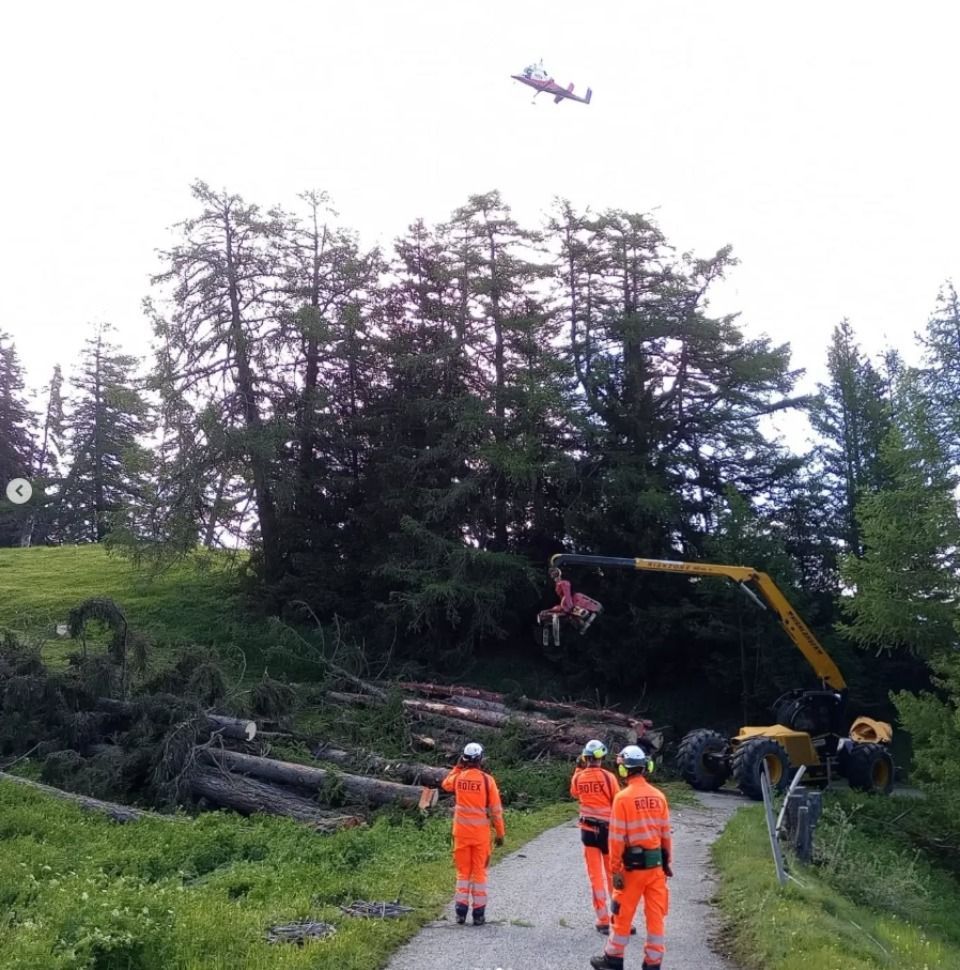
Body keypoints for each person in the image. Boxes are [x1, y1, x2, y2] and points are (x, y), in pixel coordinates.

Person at [590, 745, 672, 970]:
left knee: (621, 914)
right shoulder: (659, 797)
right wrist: (667, 864)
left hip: (631, 869)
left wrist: (615, 870)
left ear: (624, 770)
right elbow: (666, 835)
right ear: (646, 768)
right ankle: (653, 962)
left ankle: (613, 959)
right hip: (655, 868)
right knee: (656, 917)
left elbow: (616, 839)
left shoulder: (622, 799)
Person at [441, 741, 506, 926]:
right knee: (479, 873)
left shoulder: (459, 778)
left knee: (462, 873)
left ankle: (460, 913)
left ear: (464, 758)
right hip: (480, 836)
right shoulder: (487, 781)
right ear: (481, 759)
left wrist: (457, 766)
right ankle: (479, 915)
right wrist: (500, 833)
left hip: (461, 834)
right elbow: (495, 810)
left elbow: (445, 784)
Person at [570, 739, 620, 933]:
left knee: (595, 877)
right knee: (612, 874)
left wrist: (577, 769)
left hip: (587, 831)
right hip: (608, 832)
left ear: (585, 757)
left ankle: (602, 919)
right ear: (601, 757)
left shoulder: (579, 777)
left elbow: (574, 793)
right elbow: (617, 800)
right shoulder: (609, 778)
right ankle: (618, 918)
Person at [538, 567, 603, 646]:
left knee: (578, 611)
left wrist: (569, 607)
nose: (552, 576)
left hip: (574, 604)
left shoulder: (565, 585)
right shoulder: (562, 586)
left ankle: (582, 618)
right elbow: (565, 602)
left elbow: (567, 597)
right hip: (570, 606)